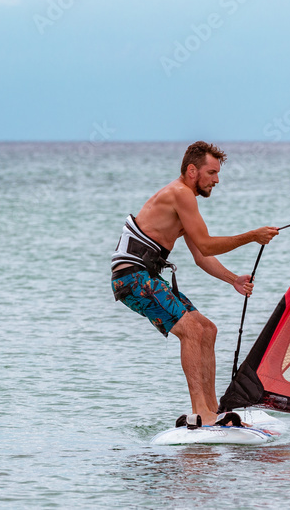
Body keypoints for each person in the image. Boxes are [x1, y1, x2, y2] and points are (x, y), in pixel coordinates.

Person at [111, 141, 278, 427]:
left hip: (147, 276)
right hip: (132, 277)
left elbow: (201, 255)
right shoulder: (180, 194)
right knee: (190, 331)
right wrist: (252, 236)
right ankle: (201, 412)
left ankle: (214, 409)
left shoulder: (185, 198)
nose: (216, 179)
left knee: (207, 329)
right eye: (211, 172)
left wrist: (233, 280)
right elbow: (205, 243)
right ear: (192, 170)